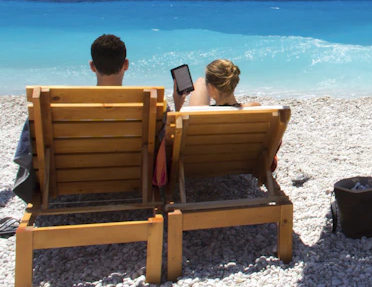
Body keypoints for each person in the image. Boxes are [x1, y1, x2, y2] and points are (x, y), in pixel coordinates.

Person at [12, 34, 162, 204]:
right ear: (126, 65)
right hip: (132, 176)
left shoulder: (58, 110)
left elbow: (27, 154)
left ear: (92, 66)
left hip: (69, 178)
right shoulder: (150, 107)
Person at [174, 59, 260, 111]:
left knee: (200, 81)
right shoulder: (255, 108)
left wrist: (178, 104)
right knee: (201, 81)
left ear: (211, 88)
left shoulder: (198, 115)